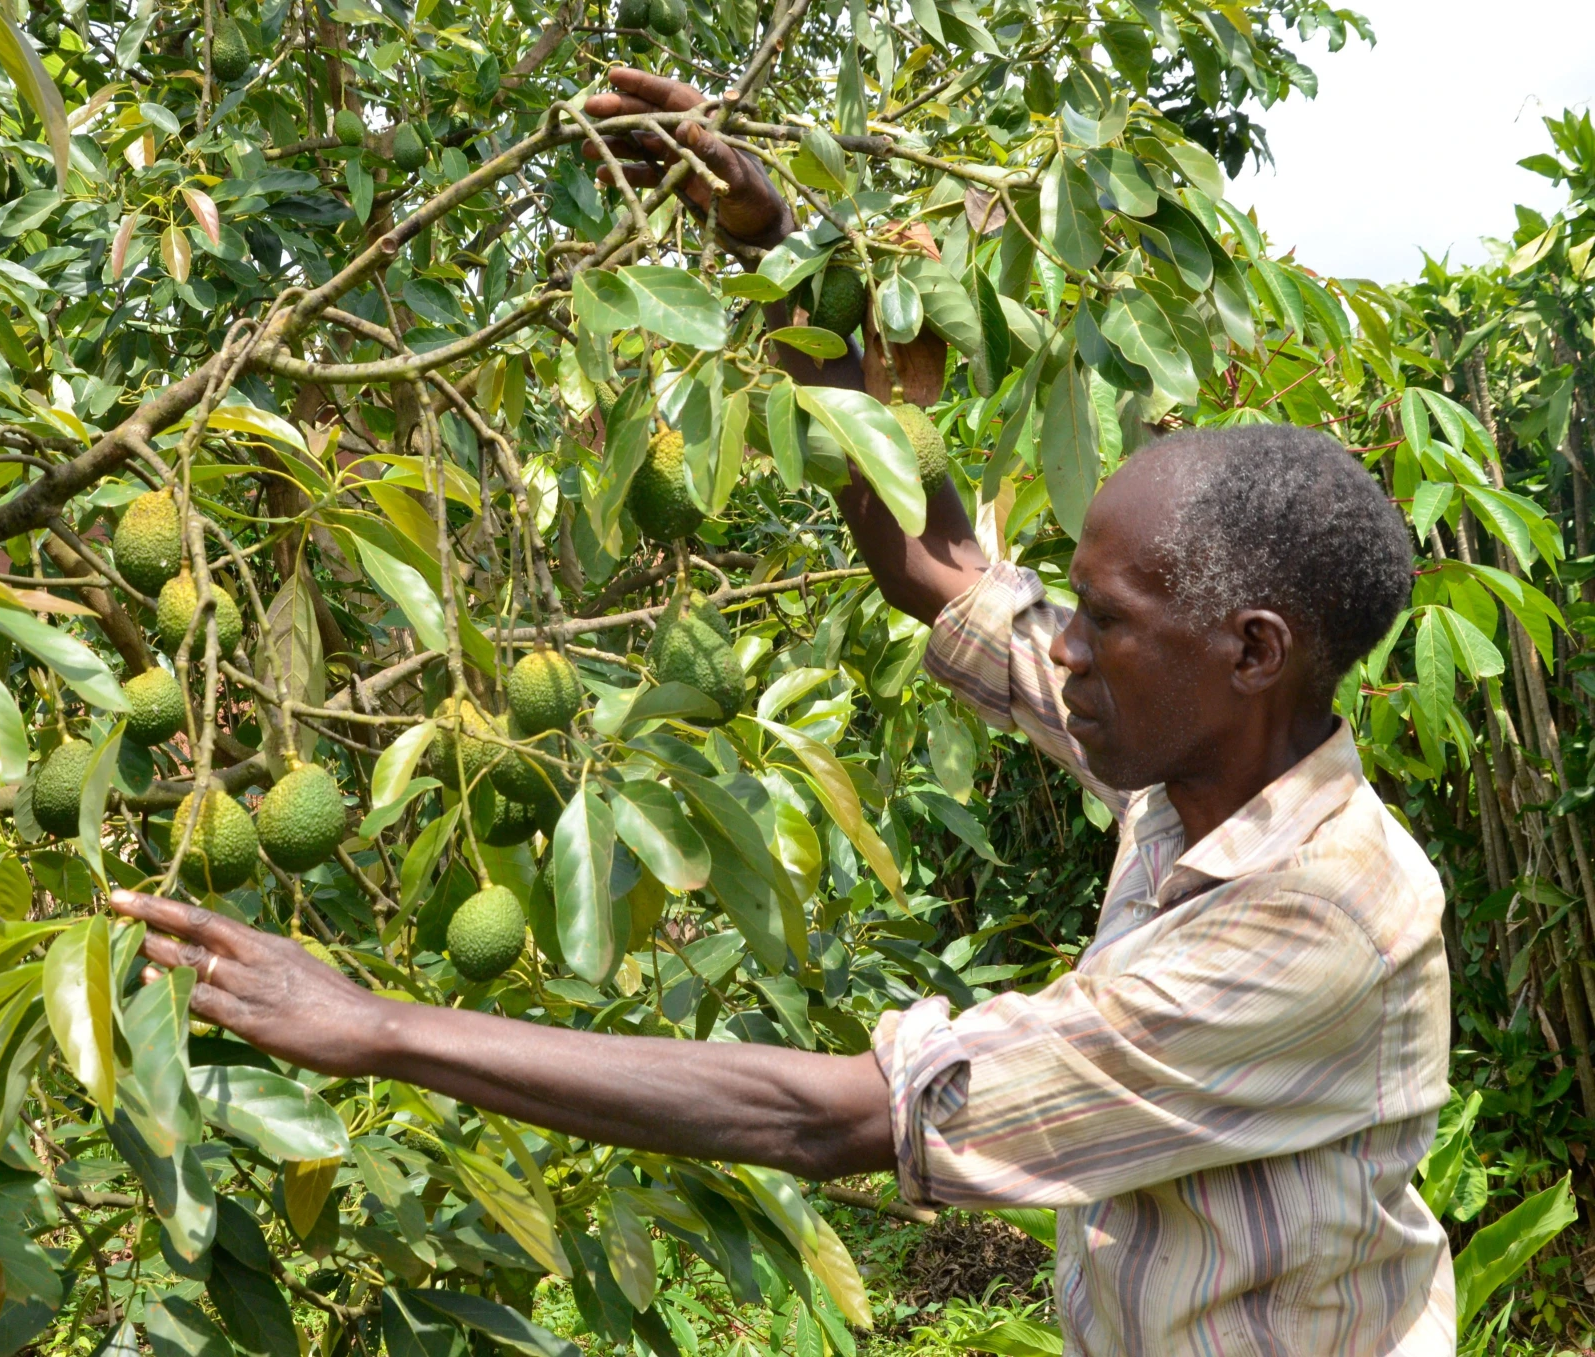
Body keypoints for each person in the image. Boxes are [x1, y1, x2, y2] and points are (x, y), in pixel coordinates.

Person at [111, 68, 1454, 1356]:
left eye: (1102, 619)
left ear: (1252, 652)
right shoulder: (1186, 747)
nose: (1069, 650)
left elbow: (837, 1123)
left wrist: (379, 1028)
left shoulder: (1318, 919)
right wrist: (776, 244)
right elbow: (933, 565)